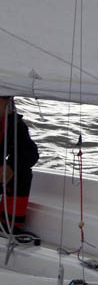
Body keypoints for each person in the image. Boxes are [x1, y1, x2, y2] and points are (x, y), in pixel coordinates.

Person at [0, 96, 39, 236]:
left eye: (8, 98)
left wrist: (10, 166)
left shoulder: (13, 123)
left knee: (22, 172)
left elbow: (31, 153)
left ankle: (7, 225)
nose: (6, 103)